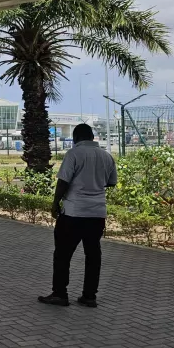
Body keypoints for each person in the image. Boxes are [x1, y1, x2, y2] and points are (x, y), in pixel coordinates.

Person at [39, 123, 117, 308]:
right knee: (93, 255)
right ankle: (89, 296)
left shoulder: (73, 154)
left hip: (73, 213)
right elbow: (111, 182)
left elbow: (63, 181)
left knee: (62, 254)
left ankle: (60, 294)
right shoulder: (107, 156)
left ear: (75, 138)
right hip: (97, 213)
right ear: (91, 137)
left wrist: (55, 203)